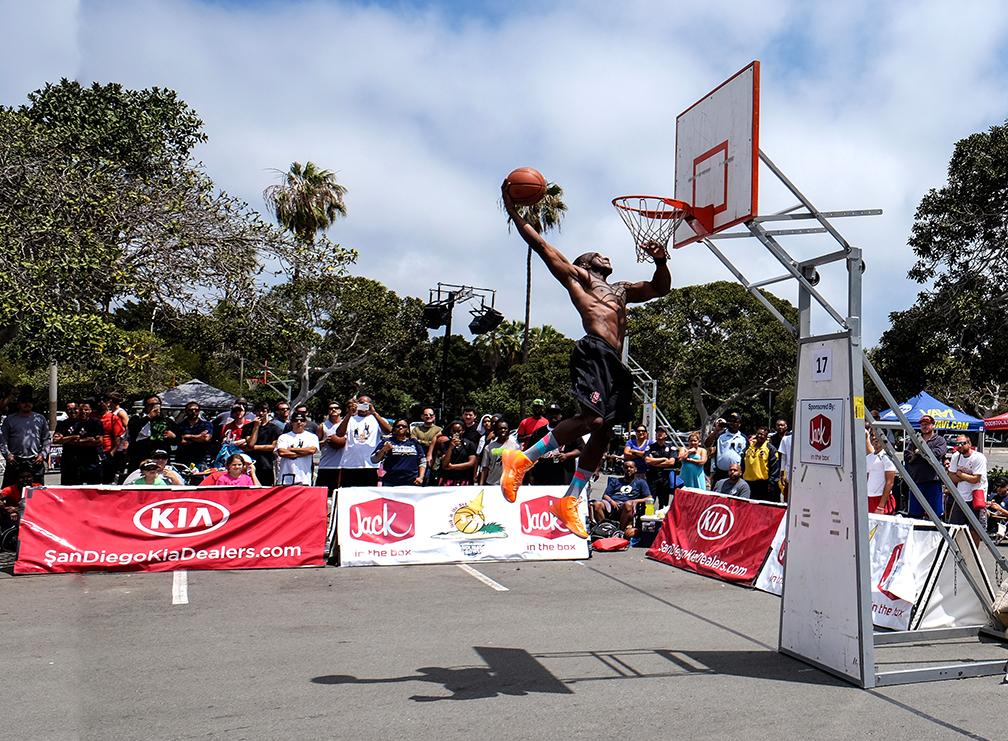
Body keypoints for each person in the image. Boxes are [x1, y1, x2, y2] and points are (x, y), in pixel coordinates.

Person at [499, 181, 673, 538]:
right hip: (592, 349)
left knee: (605, 429)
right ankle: (523, 458)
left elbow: (660, 288)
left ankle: (571, 499)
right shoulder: (579, 278)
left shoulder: (622, 289)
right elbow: (542, 245)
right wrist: (513, 210)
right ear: (583, 263)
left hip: (614, 361)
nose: (604, 256)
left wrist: (660, 259)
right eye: (596, 254)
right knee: (591, 417)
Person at [336, 395, 391, 487]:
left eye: (366, 404)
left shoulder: (376, 419)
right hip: (350, 464)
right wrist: (349, 414)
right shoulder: (350, 419)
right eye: (361, 404)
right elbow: (339, 434)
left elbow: (388, 431)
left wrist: (374, 413)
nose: (363, 406)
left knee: (368, 495)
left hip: (370, 465)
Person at [0, 389, 50, 487]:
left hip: (35, 460)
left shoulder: (40, 419)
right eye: (23, 402)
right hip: (15, 460)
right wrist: (7, 455)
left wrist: (43, 455)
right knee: (8, 491)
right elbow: (2, 440)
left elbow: (46, 439)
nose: (27, 404)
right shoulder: (9, 419)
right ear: (18, 404)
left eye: (29, 402)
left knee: (38, 491)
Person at [904, 414, 948, 519]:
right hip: (917, 481)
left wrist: (920, 452)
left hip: (933, 481)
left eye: (927, 424)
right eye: (922, 424)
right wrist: (917, 455)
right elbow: (907, 455)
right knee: (915, 514)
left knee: (936, 514)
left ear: (933, 425)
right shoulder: (915, 439)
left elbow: (938, 453)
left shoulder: (940, 440)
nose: (924, 426)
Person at [948, 434, 988, 545]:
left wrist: (960, 474)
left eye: (963, 443)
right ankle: (959, 550)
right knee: (955, 525)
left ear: (969, 443)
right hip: (961, 496)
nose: (960, 446)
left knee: (974, 528)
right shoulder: (956, 456)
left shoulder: (978, 457)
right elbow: (951, 476)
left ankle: (974, 553)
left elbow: (976, 479)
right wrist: (966, 477)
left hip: (976, 495)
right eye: (957, 444)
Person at [591, 460, 651, 532]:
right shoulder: (616, 481)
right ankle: (605, 529)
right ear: (623, 469)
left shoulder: (640, 482)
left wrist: (635, 501)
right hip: (612, 504)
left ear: (635, 469)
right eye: (626, 467)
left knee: (628, 504)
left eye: (631, 467)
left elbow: (649, 498)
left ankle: (620, 531)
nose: (628, 469)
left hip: (627, 506)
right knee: (597, 504)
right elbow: (605, 495)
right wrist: (611, 501)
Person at [370, 419, 426, 487]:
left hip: (412, 481)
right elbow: (373, 460)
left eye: (404, 426)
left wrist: (421, 477)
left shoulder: (414, 442)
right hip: (391, 482)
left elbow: (422, 461)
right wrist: (383, 450)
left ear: (408, 429)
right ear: (394, 429)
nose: (401, 428)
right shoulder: (387, 441)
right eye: (398, 426)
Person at [275, 413, 320, 485]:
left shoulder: (312, 437)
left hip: (304, 478)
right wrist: (304, 453)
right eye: (296, 420)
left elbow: (312, 450)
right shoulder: (283, 437)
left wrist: (292, 449)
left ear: (305, 422)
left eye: (301, 420)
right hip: (286, 476)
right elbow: (282, 452)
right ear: (292, 422)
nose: (299, 422)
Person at [741, 426, 780, 502]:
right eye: (758, 434)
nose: (759, 436)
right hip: (747, 482)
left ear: (766, 436)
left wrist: (771, 483)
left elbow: (775, 467)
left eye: (762, 434)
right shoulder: (748, 448)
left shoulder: (771, 449)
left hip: (763, 484)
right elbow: (743, 464)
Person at [175, 401, 216, 471]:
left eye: (196, 410)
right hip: (183, 459)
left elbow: (206, 438)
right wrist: (199, 436)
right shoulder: (180, 426)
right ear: (186, 411)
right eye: (191, 410)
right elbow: (182, 440)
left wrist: (188, 436)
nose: (194, 412)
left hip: (201, 458)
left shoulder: (206, 424)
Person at [245, 401, 279, 486]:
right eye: (258, 411)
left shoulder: (274, 429)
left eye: (263, 411)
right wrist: (256, 427)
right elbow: (250, 443)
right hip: (251, 463)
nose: (260, 413)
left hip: (266, 464)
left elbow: (273, 446)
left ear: (268, 412)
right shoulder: (248, 427)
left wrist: (254, 448)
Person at [314, 401, 345, 495]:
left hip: (341, 465)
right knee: (323, 494)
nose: (333, 410)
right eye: (331, 408)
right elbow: (315, 444)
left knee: (339, 495)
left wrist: (342, 441)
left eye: (336, 408)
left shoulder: (346, 424)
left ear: (340, 410)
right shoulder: (322, 426)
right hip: (326, 464)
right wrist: (324, 442)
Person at [644, 427, 679, 509]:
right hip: (652, 477)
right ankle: (648, 519)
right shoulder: (650, 447)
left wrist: (654, 462)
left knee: (663, 503)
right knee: (650, 501)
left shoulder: (671, 447)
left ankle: (661, 520)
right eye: (658, 432)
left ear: (666, 435)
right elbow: (647, 460)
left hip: (665, 478)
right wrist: (663, 459)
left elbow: (671, 462)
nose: (659, 433)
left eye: (662, 432)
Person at [437, 420, 478, 486]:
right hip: (447, 479)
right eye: (454, 431)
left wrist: (452, 466)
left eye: (459, 431)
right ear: (451, 431)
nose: (456, 433)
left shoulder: (469, 444)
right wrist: (450, 447)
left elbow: (471, 463)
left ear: (463, 431)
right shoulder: (445, 444)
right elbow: (444, 465)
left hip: (464, 479)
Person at [479, 419, 519, 486]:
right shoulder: (489, 447)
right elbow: (485, 467)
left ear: (508, 430)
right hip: (492, 482)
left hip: (509, 483)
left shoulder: (515, 446)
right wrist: (481, 484)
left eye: (505, 428)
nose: (503, 430)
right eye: (500, 428)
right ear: (496, 431)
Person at [865, 429, 896, 514]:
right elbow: (867, 479)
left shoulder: (887, 456)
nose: (874, 438)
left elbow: (890, 482)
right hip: (869, 498)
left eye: (877, 435)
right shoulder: (869, 457)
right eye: (872, 435)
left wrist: (881, 506)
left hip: (881, 500)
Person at [52, 402, 82, 485]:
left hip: (84, 459)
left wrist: (64, 439)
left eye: (75, 409)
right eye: (69, 409)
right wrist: (72, 437)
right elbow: (56, 440)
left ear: (79, 409)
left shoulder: (86, 422)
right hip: (68, 459)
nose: (72, 411)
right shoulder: (62, 424)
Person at [713, 412, 746, 485]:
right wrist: (716, 430)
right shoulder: (720, 436)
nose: (732, 423)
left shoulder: (743, 438)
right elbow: (707, 444)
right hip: (720, 473)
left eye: (735, 421)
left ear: (739, 424)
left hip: (736, 475)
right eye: (730, 421)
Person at [411, 407, 443, 484]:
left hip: (434, 460)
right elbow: (413, 442)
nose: (428, 416)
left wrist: (421, 441)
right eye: (426, 415)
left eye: (431, 414)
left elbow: (439, 443)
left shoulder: (439, 430)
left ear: (434, 416)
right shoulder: (416, 429)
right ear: (422, 417)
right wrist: (430, 442)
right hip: (418, 460)